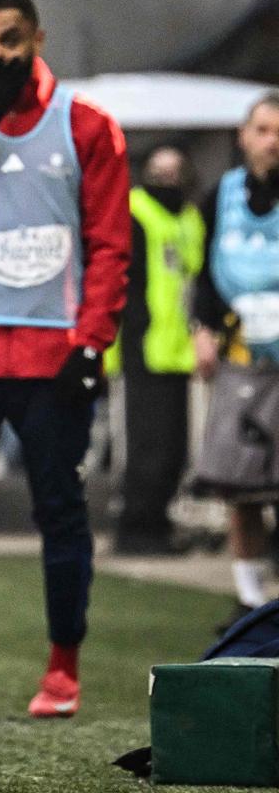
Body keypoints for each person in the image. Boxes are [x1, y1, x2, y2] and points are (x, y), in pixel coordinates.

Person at [0, 0, 129, 719]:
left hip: (52, 362)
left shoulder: (88, 125)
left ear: (37, 38)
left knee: (61, 513)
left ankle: (63, 670)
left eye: (11, 39)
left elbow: (109, 242)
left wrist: (91, 340)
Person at [190, 93, 279, 630]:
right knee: (237, 484)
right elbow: (204, 271)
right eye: (264, 129)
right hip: (242, 358)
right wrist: (202, 328)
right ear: (245, 136)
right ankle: (249, 601)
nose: (273, 140)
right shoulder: (218, 196)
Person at [108, 146, 203, 555]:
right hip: (142, 344)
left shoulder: (189, 217)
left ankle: (158, 523)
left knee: (174, 447)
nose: (167, 178)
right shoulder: (135, 211)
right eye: (158, 170)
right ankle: (137, 529)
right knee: (148, 446)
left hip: (180, 348)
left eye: (174, 170)